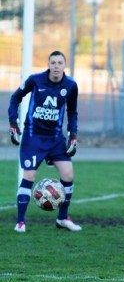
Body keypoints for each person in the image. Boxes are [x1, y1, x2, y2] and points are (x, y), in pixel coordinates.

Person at [8, 50, 82, 233]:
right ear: (48, 64)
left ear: (64, 65)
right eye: (53, 63)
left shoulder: (71, 85)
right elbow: (15, 97)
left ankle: (62, 218)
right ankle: (20, 222)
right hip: (33, 138)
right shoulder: (35, 80)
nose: (56, 66)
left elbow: (72, 112)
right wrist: (13, 123)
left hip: (56, 139)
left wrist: (73, 135)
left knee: (68, 175)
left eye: (60, 63)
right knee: (29, 176)